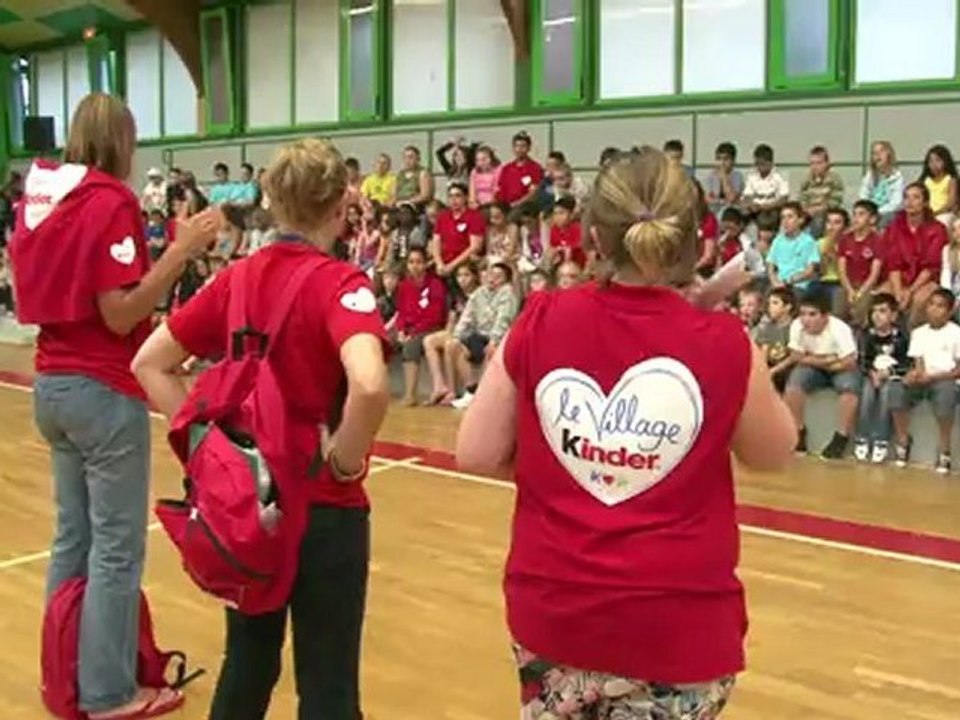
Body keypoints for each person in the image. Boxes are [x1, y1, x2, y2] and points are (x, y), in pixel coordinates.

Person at [455, 146, 795, 720]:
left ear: (594, 236)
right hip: (681, 626)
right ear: (692, 240)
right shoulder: (725, 342)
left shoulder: (540, 318)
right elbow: (773, 452)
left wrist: (559, 455)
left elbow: (475, 454)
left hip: (556, 612)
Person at [131, 138, 391, 719]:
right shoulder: (341, 283)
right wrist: (346, 460)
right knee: (327, 682)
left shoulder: (237, 278)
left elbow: (149, 362)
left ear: (272, 202)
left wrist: (210, 452)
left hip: (247, 505)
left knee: (247, 661)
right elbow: (370, 385)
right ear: (339, 208)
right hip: (323, 507)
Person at [9, 93, 220, 719]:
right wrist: (180, 251)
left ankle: (64, 674)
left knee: (72, 539)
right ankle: (107, 692)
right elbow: (120, 310)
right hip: (102, 389)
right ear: (123, 140)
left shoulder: (38, 199)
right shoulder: (110, 201)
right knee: (117, 548)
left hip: (51, 384)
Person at [783, 289, 861, 459]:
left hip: (840, 367)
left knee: (849, 388)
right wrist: (825, 361)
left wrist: (826, 363)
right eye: (803, 314)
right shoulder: (796, 325)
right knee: (793, 386)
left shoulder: (840, 329)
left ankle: (841, 437)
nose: (806, 320)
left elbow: (850, 360)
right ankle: (799, 431)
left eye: (812, 315)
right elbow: (796, 356)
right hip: (820, 365)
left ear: (825, 316)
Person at [894, 288, 960, 472]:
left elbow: (958, 370)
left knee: (946, 395)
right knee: (896, 389)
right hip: (925, 378)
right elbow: (918, 362)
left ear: (949, 311)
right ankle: (903, 440)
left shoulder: (956, 333)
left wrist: (934, 376)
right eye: (931, 304)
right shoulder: (919, 333)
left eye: (940, 306)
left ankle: (945, 449)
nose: (933, 309)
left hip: (946, 378)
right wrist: (915, 375)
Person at [445, 262, 518, 409]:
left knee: (491, 349)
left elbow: (503, 321)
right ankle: (471, 391)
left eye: (498, 277)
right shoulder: (479, 293)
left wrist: (494, 341)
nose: (492, 279)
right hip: (479, 335)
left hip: (501, 337)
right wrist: (456, 336)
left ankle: (484, 395)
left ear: (506, 280)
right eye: (491, 275)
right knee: (452, 345)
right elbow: (466, 317)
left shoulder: (508, 293)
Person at [853, 293, 910, 464]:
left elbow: (907, 362)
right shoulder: (865, 335)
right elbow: (862, 360)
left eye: (883, 311)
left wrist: (890, 372)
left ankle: (881, 439)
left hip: (893, 376)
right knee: (867, 394)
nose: (877, 315)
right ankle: (862, 436)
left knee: (887, 394)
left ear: (893, 315)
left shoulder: (902, 337)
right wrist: (872, 373)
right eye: (874, 311)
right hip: (871, 375)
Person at [885, 182, 948, 328]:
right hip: (899, 279)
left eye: (915, 198)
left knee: (919, 300)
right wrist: (898, 291)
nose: (910, 202)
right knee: (882, 298)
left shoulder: (937, 229)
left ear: (925, 202)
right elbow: (893, 264)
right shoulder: (894, 227)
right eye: (906, 197)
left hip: (926, 280)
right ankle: (887, 340)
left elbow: (931, 267)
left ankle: (911, 340)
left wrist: (910, 291)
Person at [394, 247, 448, 406]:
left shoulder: (435, 284)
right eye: (411, 262)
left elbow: (435, 316)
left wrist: (413, 332)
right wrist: (401, 330)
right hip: (410, 329)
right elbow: (401, 312)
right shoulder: (403, 286)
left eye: (418, 262)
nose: (414, 266)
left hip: (430, 328)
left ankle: (410, 395)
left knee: (411, 345)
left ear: (425, 264)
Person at [423, 262, 480, 405]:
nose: (462, 279)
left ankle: (452, 391)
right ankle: (439, 385)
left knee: (450, 344)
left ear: (475, 276)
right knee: (429, 340)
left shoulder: (480, 294)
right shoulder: (457, 295)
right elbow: (452, 319)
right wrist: (448, 332)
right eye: (459, 276)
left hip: (472, 333)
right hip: (457, 331)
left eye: (466, 275)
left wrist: (453, 336)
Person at [838, 199, 884, 326]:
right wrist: (849, 290)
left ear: (873, 219)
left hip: (868, 286)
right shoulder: (845, 239)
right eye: (854, 214)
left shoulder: (877, 240)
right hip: (848, 284)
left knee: (861, 307)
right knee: (838, 308)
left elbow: (874, 273)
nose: (856, 218)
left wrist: (861, 292)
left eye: (861, 214)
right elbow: (842, 269)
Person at [431, 181, 485, 282]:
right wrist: (439, 264)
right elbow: (435, 242)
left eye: (458, 196)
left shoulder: (474, 217)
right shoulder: (442, 216)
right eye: (450, 196)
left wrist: (451, 266)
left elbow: (475, 247)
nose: (453, 200)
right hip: (444, 261)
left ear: (465, 198)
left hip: (464, 261)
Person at [767, 202, 820, 292]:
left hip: (798, 285)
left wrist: (788, 281)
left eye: (790, 217)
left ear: (800, 220)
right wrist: (774, 281)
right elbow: (770, 267)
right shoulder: (778, 240)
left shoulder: (808, 241)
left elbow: (809, 271)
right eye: (783, 217)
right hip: (778, 284)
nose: (785, 221)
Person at [755, 286, 796, 393]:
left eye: (775, 303)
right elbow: (764, 351)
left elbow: (793, 357)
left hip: (787, 366)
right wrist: (763, 371)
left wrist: (772, 371)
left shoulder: (794, 327)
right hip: (771, 363)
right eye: (769, 303)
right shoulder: (767, 326)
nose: (770, 307)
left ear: (787, 307)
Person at [799, 145, 845, 237]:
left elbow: (835, 200)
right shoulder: (807, 179)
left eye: (819, 163)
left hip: (826, 211)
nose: (815, 167)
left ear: (827, 163)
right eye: (812, 163)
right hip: (808, 211)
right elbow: (802, 197)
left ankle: (815, 246)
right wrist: (806, 209)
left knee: (818, 222)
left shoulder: (834, 179)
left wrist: (818, 209)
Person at [496, 131, 544, 214]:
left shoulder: (535, 168)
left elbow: (533, 193)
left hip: (524, 208)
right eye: (517, 146)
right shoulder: (506, 169)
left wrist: (517, 204)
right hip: (505, 208)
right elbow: (500, 190)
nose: (519, 149)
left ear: (529, 148)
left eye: (523, 146)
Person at [859, 140, 904, 228]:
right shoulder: (869, 176)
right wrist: (868, 212)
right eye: (874, 153)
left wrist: (877, 212)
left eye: (881, 151)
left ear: (889, 154)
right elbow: (863, 195)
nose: (877, 155)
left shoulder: (897, 177)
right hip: (870, 212)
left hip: (886, 212)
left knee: (887, 218)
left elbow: (896, 203)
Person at [742, 143, 789, 225]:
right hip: (755, 210)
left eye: (762, 164)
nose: (759, 167)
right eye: (757, 164)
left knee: (769, 217)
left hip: (772, 210)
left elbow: (783, 199)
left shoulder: (779, 177)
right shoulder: (752, 177)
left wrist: (765, 207)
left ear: (770, 162)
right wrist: (751, 205)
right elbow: (747, 196)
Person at [918, 144, 959, 226]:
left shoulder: (950, 179)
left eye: (938, 160)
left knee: (943, 221)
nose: (934, 164)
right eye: (931, 161)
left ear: (945, 162)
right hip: (927, 212)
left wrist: (937, 213)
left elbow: (951, 203)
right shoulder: (926, 180)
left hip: (945, 213)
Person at [704, 142, 744, 216]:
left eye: (725, 159)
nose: (722, 163)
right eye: (718, 159)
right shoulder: (710, 176)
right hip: (713, 212)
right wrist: (723, 202)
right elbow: (708, 199)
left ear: (733, 161)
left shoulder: (738, 176)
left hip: (732, 213)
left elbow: (731, 198)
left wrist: (724, 177)